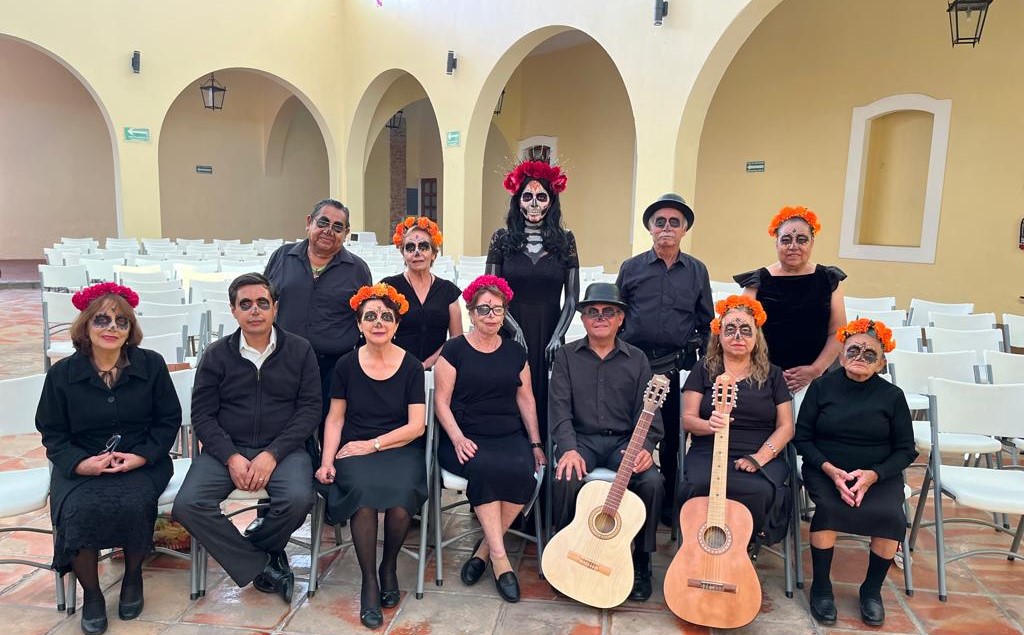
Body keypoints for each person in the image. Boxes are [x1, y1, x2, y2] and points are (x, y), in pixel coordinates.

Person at [35, 282, 181, 634]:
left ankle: (132, 578)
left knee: (135, 501)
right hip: (81, 463)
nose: (112, 328)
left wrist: (142, 457)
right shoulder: (62, 374)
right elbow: (52, 432)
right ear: (85, 325)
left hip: (141, 461)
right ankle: (92, 594)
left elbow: (168, 420)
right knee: (77, 509)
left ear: (131, 329)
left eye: (121, 321)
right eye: (101, 320)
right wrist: (79, 464)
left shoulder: (151, 364)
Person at [172, 273, 321, 604]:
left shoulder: (300, 350)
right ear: (234, 310)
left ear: (275, 308)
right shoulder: (216, 354)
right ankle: (262, 564)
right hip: (226, 450)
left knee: (298, 499)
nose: (255, 310)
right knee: (188, 504)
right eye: (246, 304)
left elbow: (310, 409)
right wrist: (230, 456)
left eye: (262, 303)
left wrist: (273, 454)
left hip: (284, 449)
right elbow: (203, 415)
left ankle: (256, 548)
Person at [314, 283, 426, 629]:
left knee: (402, 497)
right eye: (371, 316)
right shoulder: (346, 365)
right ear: (359, 324)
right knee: (362, 497)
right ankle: (369, 582)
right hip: (353, 449)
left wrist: (373, 444)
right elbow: (335, 419)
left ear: (396, 324)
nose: (379, 322)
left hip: (399, 447)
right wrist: (327, 460)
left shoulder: (411, 366)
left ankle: (388, 565)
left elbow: (416, 426)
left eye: (386, 317)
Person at [793, 319, 916, 628]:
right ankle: (822, 587)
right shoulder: (821, 387)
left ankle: (871, 591)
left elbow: (906, 450)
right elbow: (802, 437)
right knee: (829, 509)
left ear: (882, 362)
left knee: (891, 517)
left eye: (869, 353)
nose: (860, 357)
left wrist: (873, 475)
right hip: (826, 468)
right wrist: (830, 470)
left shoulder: (892, 396)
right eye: (853, 350)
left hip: (877, 474)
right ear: (841, 354)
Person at [433, 275, 546, 603]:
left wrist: (535, 443)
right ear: (471, 312)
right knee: (484, 468)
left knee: (523, 472)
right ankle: (501, 560)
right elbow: (441, 402)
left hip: (507, 433)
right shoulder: (454, 350)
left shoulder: (515, 352)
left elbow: (526, 399)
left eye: (497, 309)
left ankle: (484, 550)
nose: (491, 315)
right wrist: (457, 438)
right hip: (464, 435)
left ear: (505, 313)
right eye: (483, 309)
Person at [548, 282, 665, 602]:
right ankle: (564, 550)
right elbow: (559, 409)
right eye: (592, 312)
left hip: (624, 443)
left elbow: (649, 413)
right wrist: (568, 449)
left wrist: (645, 448)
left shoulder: (637, 359)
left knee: (652, 482)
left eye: (608, 312)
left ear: (620, 318)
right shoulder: (566, 356)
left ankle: (641, 561)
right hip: (581, 440)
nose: (600, 318)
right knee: (566, 475)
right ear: (583, 319)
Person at [616, 192, 714, 526]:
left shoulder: (697, 271)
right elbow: (616, 315)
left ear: (685, 229)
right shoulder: (631, 268)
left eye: (675, 222)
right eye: (660, 222)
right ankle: (624, 496)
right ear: (650, 228)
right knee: (629, 430)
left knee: (672, 436)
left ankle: (669, 505)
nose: (667, 228)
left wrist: (702, 361)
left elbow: (707, 322)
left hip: (674, 366)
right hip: (632, 364)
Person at [681, 295, 794, 546]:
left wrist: (760, 457)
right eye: (730, 329)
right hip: (709, 448)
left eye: (745, 330)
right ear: (719, 336)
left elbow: (786, 426)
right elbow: (687, 419)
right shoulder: (704, 369)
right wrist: (708, 425)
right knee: (699, 484)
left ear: (757, 337)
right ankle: (699, 543)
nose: (738, 336)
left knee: (761, 490)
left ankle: (744, 546)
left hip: (759, 450)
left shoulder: (773, 374)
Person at [486, 161, 579, 444]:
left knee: (546, 393)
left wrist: (558, 336)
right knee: (510, 388)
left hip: (550, 329)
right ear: (518, 200)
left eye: (542, 197)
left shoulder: (566, 241)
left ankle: (543, 450)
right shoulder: (501, 239)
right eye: (528, 196)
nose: (535, 204)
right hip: (510, 327)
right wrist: (513, 328)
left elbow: (572, 297)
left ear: (552, 202)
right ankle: (511, 447)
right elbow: (491, 290)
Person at [264, 198, 372, 419]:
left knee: (329, 425)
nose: (328, 231)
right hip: (283, 361)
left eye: (338, 227)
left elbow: (366, 318)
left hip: (334, 367)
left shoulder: (358, 269)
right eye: (323, 222)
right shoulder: (282, 257)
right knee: (284, 423)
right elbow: (264, 301)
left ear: (346, 233)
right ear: (309, 222)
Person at [734, 206, 847, 405]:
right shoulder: (757, 281)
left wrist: (815, 370)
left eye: (802, 239)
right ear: (776, 243)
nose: (793, 246)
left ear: (812, 242)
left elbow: (837, 332)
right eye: (786, 240)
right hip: (763, 376)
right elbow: (740, 331)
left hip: (817, 378)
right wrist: (766, 371)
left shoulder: (828, 280)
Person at [381, 216, 462, 369]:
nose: (417, 253)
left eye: (424, 247)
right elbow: (380, 332)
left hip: (437, 369)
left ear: (434, 253)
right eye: (410, 248)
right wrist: (408, 364)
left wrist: (427, 364)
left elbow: (456, 339)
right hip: (396, 367)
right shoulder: (389, 288)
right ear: (403, 254)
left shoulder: (448, 291)